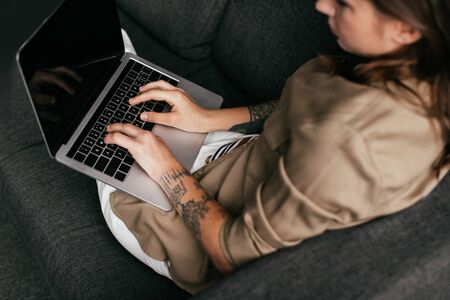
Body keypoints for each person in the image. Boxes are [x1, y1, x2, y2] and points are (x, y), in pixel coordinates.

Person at [97, 0, 450, 294]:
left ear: (406, 28)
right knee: (118, 60)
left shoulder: (347, 143)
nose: (322, 5)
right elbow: (295, 108)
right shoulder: (415, 67)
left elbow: (230, 254)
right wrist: (206, 120)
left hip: (186, 232)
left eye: (345, 4)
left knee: (98, 106)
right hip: (239, 156)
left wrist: (166, 169)